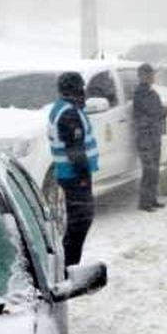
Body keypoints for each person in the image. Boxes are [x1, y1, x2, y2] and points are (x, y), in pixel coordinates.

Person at [47, 71, 99, 265]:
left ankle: (68, 263)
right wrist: (84, 175)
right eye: (81, 88)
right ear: (74, 89)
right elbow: (75, 150)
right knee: (80, 222)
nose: (83, 91)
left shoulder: (63, 108)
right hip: (75, 176)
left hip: (70, 175)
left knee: (78, 222)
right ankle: (69, 267)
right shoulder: (69, 113)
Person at [133, 63, 167, 212]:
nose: (152, 77)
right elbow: (154, 111)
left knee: (154, 169)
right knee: (149, 170)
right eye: (149, 74)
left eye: (152, 74)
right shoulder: (141, 93)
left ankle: (152, 199)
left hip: (153, 135)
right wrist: (166, 110)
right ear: (142, 76)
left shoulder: (149, 92)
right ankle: (145, 203)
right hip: (146, 137)